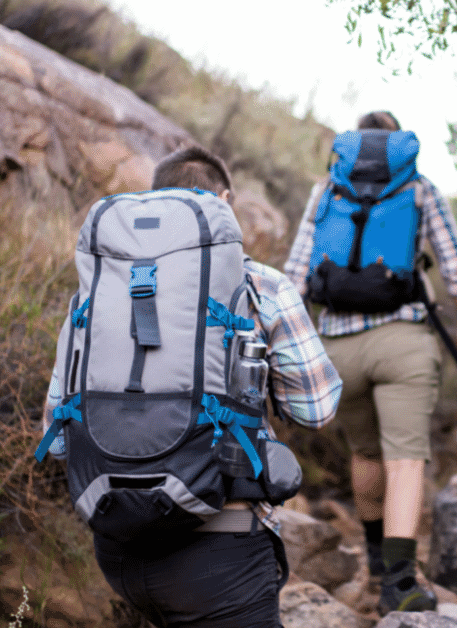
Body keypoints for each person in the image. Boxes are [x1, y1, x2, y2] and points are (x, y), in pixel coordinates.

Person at [42, 146, 342, 627]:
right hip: (220, 552)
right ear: (223, 200)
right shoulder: (260, 284)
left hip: (118, 551)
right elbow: (317, 408)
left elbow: (57, 438)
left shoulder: (95, 291)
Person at [283, 110, 457, 614]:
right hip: (404, 342)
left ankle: (374, 569)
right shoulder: (418, 188)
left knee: (366, 455)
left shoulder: (328, 189)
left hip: (338, 347)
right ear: (399, 146)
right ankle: (400, 584)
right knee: (405, 459)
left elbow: (296, 275)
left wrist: (295, 343)